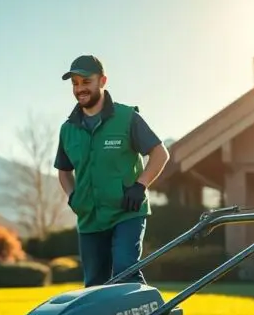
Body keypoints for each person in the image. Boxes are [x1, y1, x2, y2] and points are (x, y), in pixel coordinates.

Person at [53, 55, 169, 287]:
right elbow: (64, 171)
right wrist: (73, 197)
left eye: (86, 81)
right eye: (75, 83)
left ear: (102, 80)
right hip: (90, 218)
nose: (80, 89)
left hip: (126, 212)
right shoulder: (68, 129)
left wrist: (140, 185)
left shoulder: (127, 118)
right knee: (95, 285)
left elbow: (159, 154)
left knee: (126, 271)